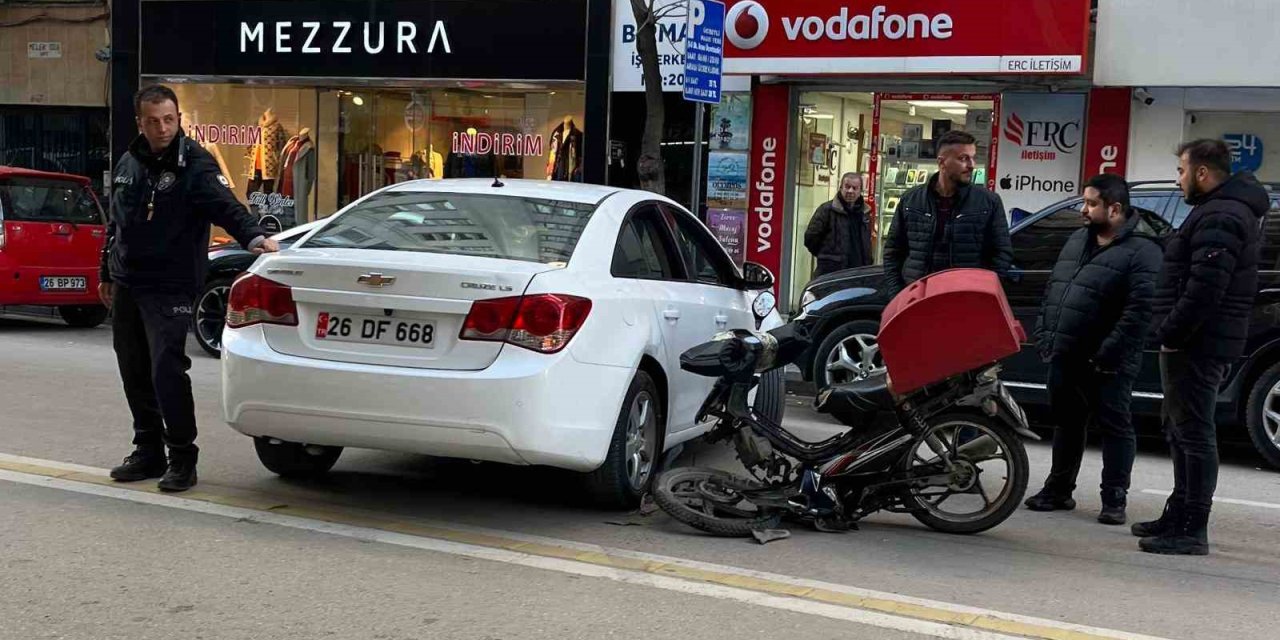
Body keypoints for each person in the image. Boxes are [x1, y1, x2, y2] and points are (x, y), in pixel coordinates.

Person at [98, 84, 279, 492]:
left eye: (169, 119)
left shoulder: (195, 164)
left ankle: (182, 455)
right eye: (153, 121)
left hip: (171, 285)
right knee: (134, 369)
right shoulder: (129, 162)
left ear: (178, 118)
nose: (162, 128)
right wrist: (105, 272)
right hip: (129, 282)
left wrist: (254, 236)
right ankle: (147, 450)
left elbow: (226, 205)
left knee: (167, 370)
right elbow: (116, 223)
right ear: (139, 122)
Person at [1137, 139, 1268, 555]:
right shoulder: (1216, 211)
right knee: (1179, 430)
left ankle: (1192, 528)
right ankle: (1178, 512)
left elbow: (1205, 289)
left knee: (1193, 432)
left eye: (1181, 171)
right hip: (1195, 341)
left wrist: (1172, 332)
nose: (1178, 180)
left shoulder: (1222, 215)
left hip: (1198, 343)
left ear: (1202, 173)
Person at [1024, 174, 1163, 525]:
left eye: (1091, 204)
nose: (1083, 210)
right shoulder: (1076, 240)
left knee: (1115, 426)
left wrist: (1109, 352)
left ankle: (1114, 499)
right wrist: (1045, 333)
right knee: (1067, 423)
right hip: (1066, 351)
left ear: (1114, 208)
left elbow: (1140, 310)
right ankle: (1058, 490)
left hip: (1109, 360)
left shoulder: (1143, 250)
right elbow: (1055, 288)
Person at [882, 130, 1012, 296]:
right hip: (917, 300)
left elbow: (1002, 254)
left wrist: (981, 293)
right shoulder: (911, 200)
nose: (971, 165)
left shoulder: (988, 202)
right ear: (942, 162)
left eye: (972, 158)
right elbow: (893, 252)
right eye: (963, 158)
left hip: (964, 301)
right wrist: (898, 295)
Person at [804, 172, 873, 277]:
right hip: (832, 274)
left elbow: (867, 242)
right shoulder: (826, 210)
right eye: (847, 187)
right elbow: (810, 238)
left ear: (860, 191)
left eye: (854, 188)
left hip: (859, 273)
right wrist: (827, 258)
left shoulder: (865, 213)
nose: (850, 191)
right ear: (841, 187)